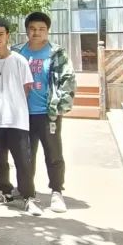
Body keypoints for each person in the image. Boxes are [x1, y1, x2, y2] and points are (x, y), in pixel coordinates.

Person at [0, 18, 41, 216]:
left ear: (7, 36)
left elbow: (27, 87)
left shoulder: (19, 61)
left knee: (23, 160)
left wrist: (14, 103)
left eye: (1, 34)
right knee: (0, 159)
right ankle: (6, 192)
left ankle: (29, 197)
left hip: (17, 119)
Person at [13, 12, 76, 213]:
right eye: (32, 29)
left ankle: (56, 191)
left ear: (47, 31)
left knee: (53, 153)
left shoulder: (56, 53)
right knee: (25, 155)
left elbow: (67, 80)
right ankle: (25, 190)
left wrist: (60, 107)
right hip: (22, 114)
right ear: (26, 30)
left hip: (48, 113)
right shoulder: (17, 52)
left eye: (41, 29)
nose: (36, 33)